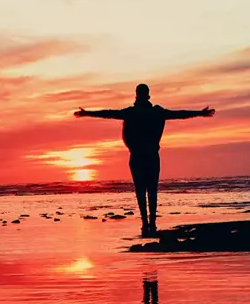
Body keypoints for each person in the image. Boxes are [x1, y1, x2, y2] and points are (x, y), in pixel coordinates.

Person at [74, 84, 214, 236]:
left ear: (137, 96)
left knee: (144, 191)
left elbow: (109, 113)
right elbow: (179, 114)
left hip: (140, 157)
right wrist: (200, 113)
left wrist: (87, 113)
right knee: (148, 191)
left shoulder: (134, 112)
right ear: (148, 96)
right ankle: (149, 222)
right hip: (149, 156)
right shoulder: (154, 112)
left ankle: (147, 222)